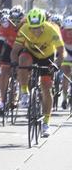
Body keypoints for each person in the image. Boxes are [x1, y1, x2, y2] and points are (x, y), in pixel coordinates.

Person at [11, 7, 64, 137]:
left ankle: (46, 123)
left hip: (47, 57)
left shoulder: (51, 29)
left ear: (43, 24)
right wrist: (14, 64)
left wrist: (56, 65)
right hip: (31, 54)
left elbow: (61, 53)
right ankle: (24, 92)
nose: (35, 31)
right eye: (32, 28)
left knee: (47, 88)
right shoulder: (24, 29)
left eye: (38, 27)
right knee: (22, 59)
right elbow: (15, 51)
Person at [0, 5, 25, 114]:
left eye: (18, 20)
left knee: (21, 71)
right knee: (4, 72)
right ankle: (3, 100)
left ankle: (19, 92)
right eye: (12, 20)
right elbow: (0, 42)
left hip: (23, 48)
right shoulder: (5, 25)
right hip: (9, 47)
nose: (15, 23)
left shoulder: (27, 26)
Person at [60, 15, 72, 109]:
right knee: (66, 74)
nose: (70, 31)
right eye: (68, 29)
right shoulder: (61, 33)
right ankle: (64, 98)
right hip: (66, 52)